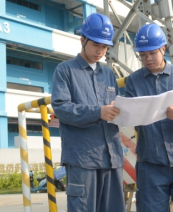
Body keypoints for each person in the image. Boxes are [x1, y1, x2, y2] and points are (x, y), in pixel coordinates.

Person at [125, 24, 173, 212]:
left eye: (152, 53)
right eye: (143, 55)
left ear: (163, 48)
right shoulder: (134, 81)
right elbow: (127, 113)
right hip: (150, 162)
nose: (148, 59)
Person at [51, 12, 125, 212]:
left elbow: (116, 108)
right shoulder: (65, 71)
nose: (100, 51)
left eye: (104, 47)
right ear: (82, 40)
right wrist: (98, 112)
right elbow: (62, 108)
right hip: (82, 159)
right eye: (96, 45)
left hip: (111, 158)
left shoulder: (109, 74)